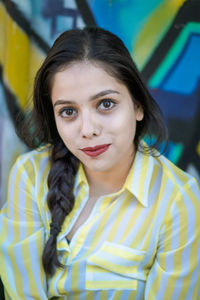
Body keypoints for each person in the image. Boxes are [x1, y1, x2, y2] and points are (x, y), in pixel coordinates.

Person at [0, 27, 200, 300]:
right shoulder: (30, 175)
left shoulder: (179, 201)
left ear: (138, 105)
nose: (88, 129)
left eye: (105, 104)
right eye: (68, 111)